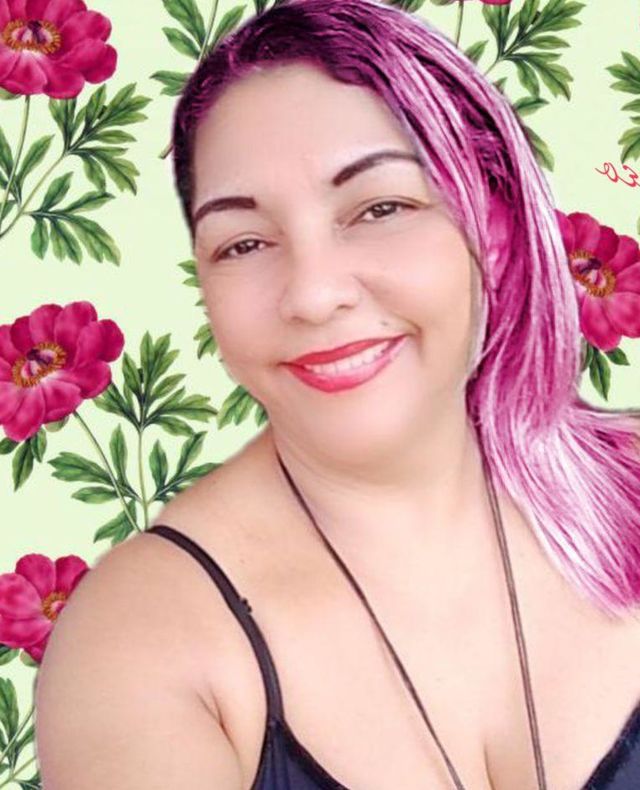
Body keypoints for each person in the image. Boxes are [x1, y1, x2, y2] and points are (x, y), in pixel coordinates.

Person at [34, 1, 640, 788]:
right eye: (244, 243)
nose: (314, 295)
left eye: (380, 208)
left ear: (494, 226)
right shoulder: (142, 641)